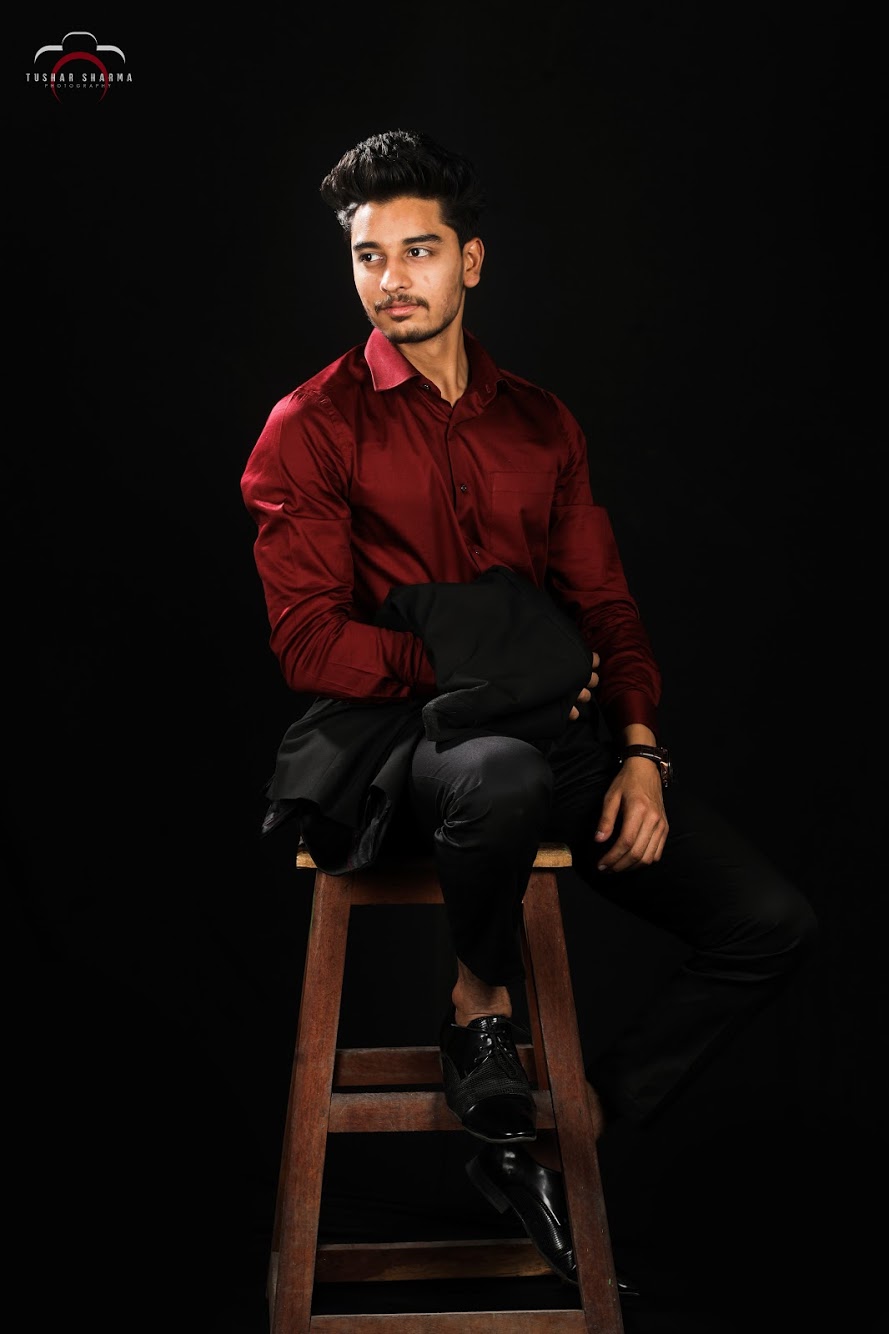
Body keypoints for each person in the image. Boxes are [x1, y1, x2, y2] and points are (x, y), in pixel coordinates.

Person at [240, 128, 818, 1291]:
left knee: (768, 921)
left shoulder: (543, 425)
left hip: (557, 742)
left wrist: (640, 751)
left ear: (471, 260)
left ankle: (567, 1131)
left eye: (417, 251)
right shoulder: (312, 424)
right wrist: (481, 667)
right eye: (367, 256)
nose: (390, 279)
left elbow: (606, 607)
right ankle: (479, 1011)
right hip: (404, 754)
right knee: (496, 768)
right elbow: (309, 641)